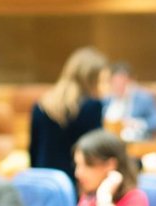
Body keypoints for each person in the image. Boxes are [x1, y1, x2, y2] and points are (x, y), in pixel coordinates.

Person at [29, 47, 107, 189]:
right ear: (90, 79)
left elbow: (33, 152)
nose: (104, 87)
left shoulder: (40, 105)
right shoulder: (92, 106)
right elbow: (96, 152)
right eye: (102, 81)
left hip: (44, 183)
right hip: (76, 184)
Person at [101, 61, 156, 141]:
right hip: (108, 138)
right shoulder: (107, 99)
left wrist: (137, 123)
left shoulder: (144, 98)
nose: (119, 86)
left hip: (135, 140)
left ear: (131, 81)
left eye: (123, 82)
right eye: (115, 82)